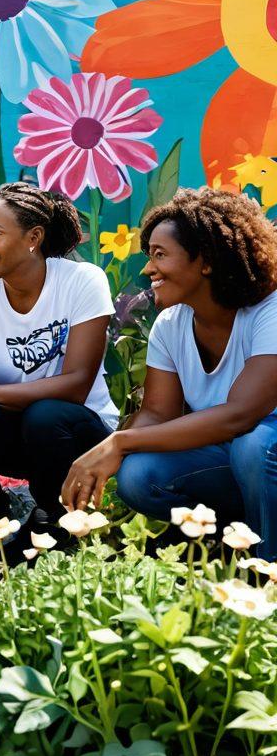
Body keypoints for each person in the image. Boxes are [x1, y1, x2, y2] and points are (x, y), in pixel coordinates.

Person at [61, 188, 277, 558]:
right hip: (239, 460)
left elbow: (241, 415)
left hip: (262, 450)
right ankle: (229, 545)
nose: (148, 269)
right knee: (139, 475)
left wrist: (120, 442)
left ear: (205, 261)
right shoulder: (170, 325)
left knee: (253, 446)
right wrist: (108, 453)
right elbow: (158, 414)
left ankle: (267, 567)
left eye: (160, 254)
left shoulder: (268, 311)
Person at [0, 182, 117, 555]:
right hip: (20, 439)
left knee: (45, 415)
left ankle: (53, 523)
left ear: (33, 237)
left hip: (79, 435)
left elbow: (77, 385)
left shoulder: (82, 281)